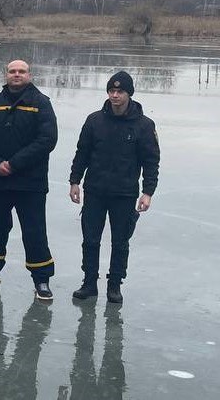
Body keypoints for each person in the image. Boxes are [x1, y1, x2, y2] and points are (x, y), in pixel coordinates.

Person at [0, 59, 58, 301]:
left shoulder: (41, 103)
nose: (16, 75)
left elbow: (47, 139)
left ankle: (41, 280)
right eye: (12, 71)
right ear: (6, 75)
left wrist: (14, 163)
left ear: (30, 75)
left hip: (31, 183)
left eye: (21, 72)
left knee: (34, 230)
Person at [69, 70, 160, 305]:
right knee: (90, 240)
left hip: (124, 193)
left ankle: (114, 284)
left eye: (120, 91)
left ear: (129, 94)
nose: (115, 95)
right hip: (95, 190)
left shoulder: (144, 125)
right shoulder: (94, 121)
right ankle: (89, 282)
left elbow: (151, 161)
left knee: (120, 242)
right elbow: (82, 153)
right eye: (111, 91)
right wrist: (74, 181)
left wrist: (148, 192)